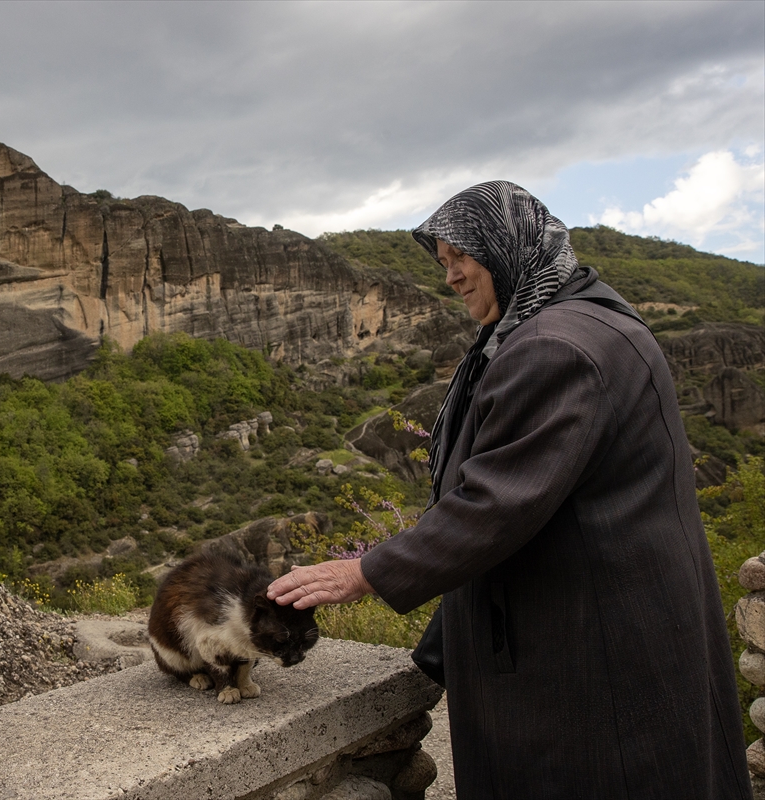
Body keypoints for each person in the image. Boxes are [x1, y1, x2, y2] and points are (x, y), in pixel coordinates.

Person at [267, 181, 751, 799]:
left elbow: (499, 501)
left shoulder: (555, 347)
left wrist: (364, 574)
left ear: (504, 245)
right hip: (624, 618)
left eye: (461, 256)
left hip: (590, 649)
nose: (452, 276)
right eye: (443, 263)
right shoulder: (592, 317)